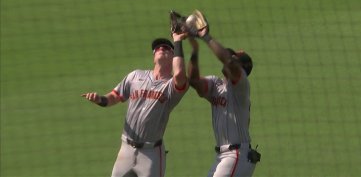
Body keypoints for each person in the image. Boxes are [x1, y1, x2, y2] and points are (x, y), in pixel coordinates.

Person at [81, 32, 188, 177]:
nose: (161, 49)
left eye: (166, 48)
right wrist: (100, 99)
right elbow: (114, 96)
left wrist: (177, 41)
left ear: (173, 57)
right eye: (157, 48)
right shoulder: (135, 76)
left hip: (151, 155)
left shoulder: (171, 87)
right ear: (153, 56)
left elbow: (180, 74)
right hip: (126, 149)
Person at [187, 18, 260, 176]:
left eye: (233, 60)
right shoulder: (216, 85)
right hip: (222, 156)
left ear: (242, 69)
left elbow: (227, 60)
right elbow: (193, 81)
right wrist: (194, 49)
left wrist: (206, 36)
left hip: (237, 155)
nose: (228, 61)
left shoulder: (241, 86)